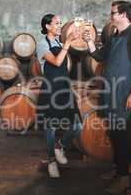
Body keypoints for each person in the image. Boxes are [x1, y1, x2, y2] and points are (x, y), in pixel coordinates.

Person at [83, 1, 131, 194]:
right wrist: (88, 41)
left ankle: (124, 177)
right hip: (108, 91)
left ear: (123, 15)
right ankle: (117, 169)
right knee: (112, 131)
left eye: (113, 13)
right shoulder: (113, 37)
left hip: (123, 93)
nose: (110, 16)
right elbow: (98, 56)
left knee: (120, 134)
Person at [36, 14, 83, 178]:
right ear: (48, 26)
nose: (60, 25)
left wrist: (79, 36)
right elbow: (56, 62)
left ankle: (59, 145)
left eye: (60, 23)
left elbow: (67, 60)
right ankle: (51, 161)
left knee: (78, 126)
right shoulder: (42, 45)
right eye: (57, 23)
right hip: (50, 89)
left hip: (64, 87)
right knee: (51, 127)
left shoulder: (59, 43)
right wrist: (68, 43)